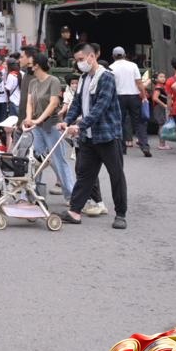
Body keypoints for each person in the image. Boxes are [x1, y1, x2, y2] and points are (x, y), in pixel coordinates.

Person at [57, 43, 128, 229]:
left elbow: (100, 108)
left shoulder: (106, 78)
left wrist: (79, 126)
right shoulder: (83, 78)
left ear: (92, 57)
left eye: (81, 59)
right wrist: (68, 121)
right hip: (88, 137)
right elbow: (77, 104)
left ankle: (120, 214)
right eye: (77, 60)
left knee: (116, 175)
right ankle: (75, 211)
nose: (79, 63)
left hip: (107, 135)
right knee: (85, 174)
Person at [22, 53, 76, 199]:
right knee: (35, 160)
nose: (28, 64)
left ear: (37, 65)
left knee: (59, 160)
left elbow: (53, 104)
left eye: (30, 62)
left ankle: (71, 195)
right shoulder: (32, 82)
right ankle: (32, 194)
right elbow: (29, 102)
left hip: (52, 125)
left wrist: (38, 119)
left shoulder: (54, 81)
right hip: (37, 127)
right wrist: (29, 118)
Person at [109, 46, 150, 156]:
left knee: (120, 122)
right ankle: (144, 146)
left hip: (119, 97)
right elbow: (139, 82)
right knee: (139, 122)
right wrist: (144, 96)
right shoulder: (133, 66)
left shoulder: (111, 67)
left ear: (113, 56)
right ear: (124, 55)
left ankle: (122, 148)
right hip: (134, 96)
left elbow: (111, 85)